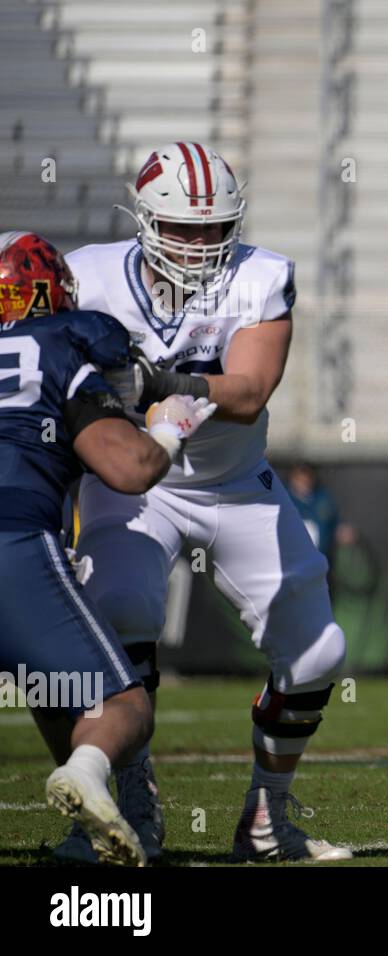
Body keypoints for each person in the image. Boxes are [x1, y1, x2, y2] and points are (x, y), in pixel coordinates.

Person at [43, 142, 351, 863]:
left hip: (233, 484)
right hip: (132, 486)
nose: (200, 244)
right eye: (183, 228)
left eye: (214, 229)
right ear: (146, 219)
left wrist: (159, 385)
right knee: (122, 612)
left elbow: (247, 393)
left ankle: (267, 819)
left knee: (317, 654)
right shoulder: (88, 276)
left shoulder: (262, 275)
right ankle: (128, 793)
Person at [0, 230, 213, 865]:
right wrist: (169, 431)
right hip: (11, 537)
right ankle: (88, 772)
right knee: (122, 704)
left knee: (46, 685)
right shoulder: (60, 343)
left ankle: (82, 828)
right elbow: (128, 469)